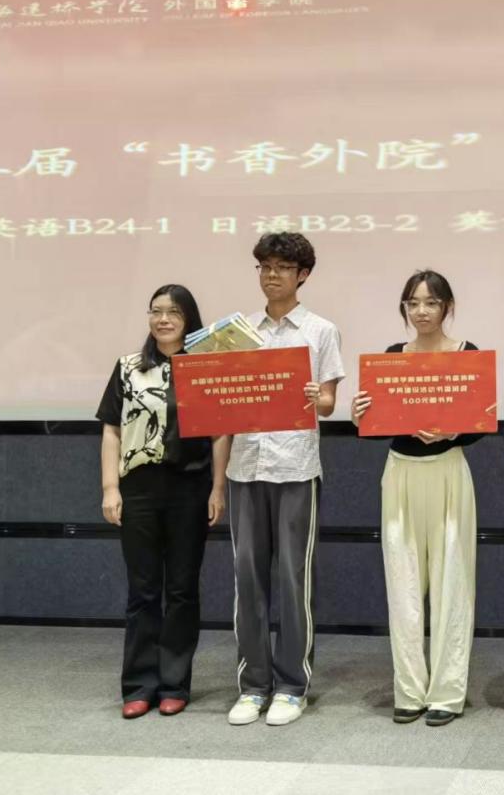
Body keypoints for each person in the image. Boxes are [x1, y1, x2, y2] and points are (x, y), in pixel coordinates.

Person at [350, 270, 482, 727]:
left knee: (453, 583)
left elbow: (480, 423)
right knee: (402, 583)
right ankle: (409, 689)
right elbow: (378, 428)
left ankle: (447, 692)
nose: (421, 311)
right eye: (413, 303)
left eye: (431, 302)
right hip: (401, 473)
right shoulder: (392, 357)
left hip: (448, 471)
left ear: (448, 306)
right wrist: (361, 416)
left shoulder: (467, 354)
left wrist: (452, 432)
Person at [225, 232, 345, 727]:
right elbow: (223, 398)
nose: (271, 275)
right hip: (244, 465)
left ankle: (292, 686)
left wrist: (317, 395)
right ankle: (254, 685)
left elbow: (329, 404)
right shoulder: (240, 332)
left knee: (294, 578)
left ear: (303, 274)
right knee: (247, 577)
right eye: (265, 267)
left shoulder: (321, 330)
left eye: (282, 267)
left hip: (295, 467)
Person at [97, 284, 229, 719]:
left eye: (173, 312)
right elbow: (112, 430)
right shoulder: (128, 367)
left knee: (182, 590)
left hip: (189, 487)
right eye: (156, 311)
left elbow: (220, 433)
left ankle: (174, 682)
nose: (163, 319)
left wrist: (218, 488)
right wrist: (110, 488)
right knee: (143, 589)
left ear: (189, 319)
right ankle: (139, 685)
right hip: (138, 488)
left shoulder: (205, 369)